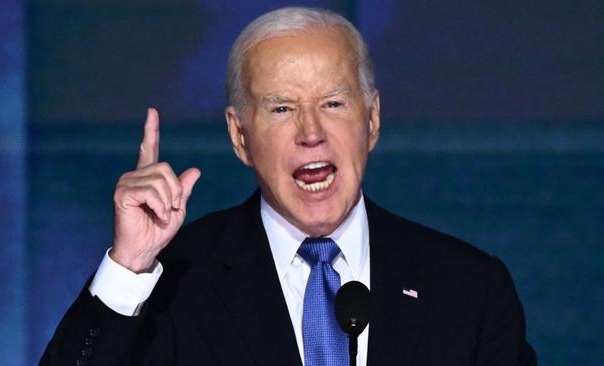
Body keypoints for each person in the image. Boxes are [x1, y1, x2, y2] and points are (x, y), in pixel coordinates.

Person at [41, 7, 536, 366]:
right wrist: (129, 268)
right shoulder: (174, 286)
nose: (311, 131)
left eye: (334, 103)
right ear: (240, 136)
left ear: (373, 120)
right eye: (281, 108)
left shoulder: (469, 290)